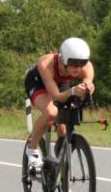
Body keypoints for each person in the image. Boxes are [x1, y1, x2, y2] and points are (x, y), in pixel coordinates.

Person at [23, 38, 94, 173]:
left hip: (60, 84)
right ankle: (32, 149)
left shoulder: (86, 67)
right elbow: (56, 96)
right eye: (73, 63)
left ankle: (59, 166)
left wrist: (88, 86)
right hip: (38, 82)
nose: (78, 68)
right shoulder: (46, 63)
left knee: (63, 124)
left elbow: (87, 80)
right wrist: (73, 91)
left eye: (82, 63)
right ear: (63, 59)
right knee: (51, 113)